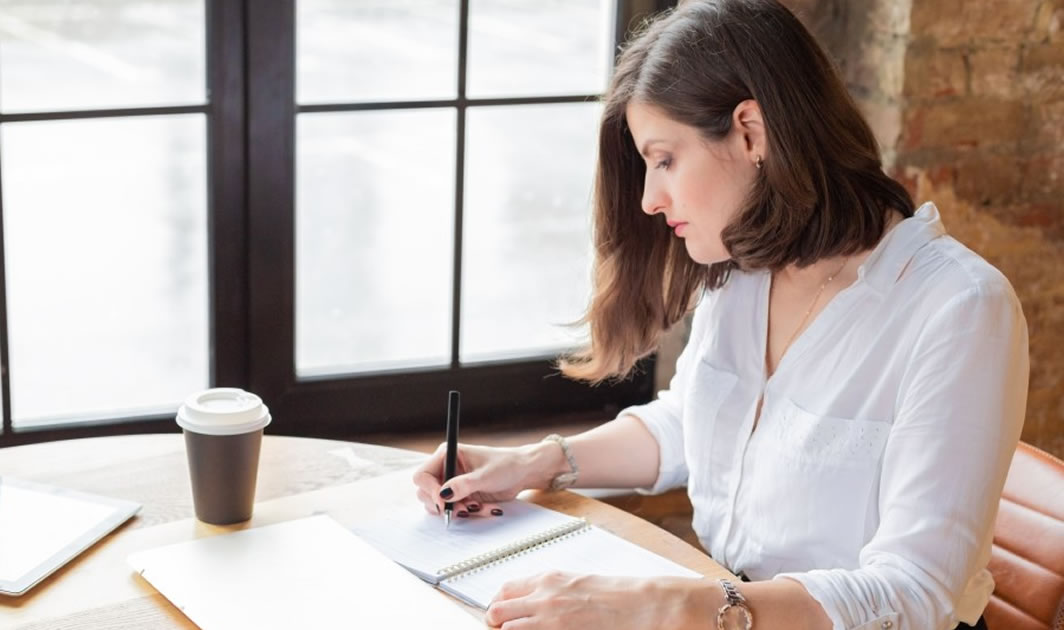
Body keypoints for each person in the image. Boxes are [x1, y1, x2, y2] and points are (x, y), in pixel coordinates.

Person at [411, 1, 1029, 629]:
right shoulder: (747, 267)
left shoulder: (958, 310)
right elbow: (696, 421)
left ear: (750, 132)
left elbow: (911, 593)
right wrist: (536, 462)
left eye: (665, 159)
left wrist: (669, 605)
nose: (651, 200)